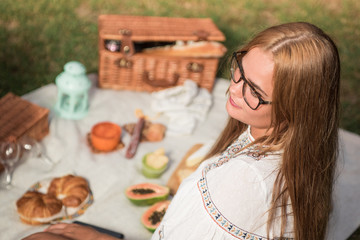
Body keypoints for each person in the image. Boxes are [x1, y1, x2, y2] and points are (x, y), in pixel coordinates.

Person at [23, 21, 340, 240]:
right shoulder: (299, 149)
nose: (233, 88)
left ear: (296, 107)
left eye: (254, 92)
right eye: (239, 68)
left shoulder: (242, 182)